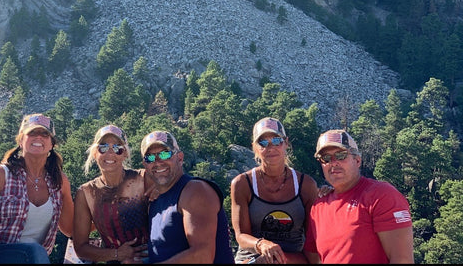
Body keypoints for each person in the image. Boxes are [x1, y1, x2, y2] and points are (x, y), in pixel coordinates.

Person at [303, 129, 414, 264]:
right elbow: (311, 258)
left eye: (341, 155)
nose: (333, 162)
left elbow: (402, 259)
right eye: (326, 158)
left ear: (357, 160)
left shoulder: (382, 196)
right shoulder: (319, 207)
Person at [0, 113, 74, 263]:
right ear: (21, 140)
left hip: (36, 259)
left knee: (35, 251)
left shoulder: (59, 181)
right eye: (32, 132)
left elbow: (69, 229)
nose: (38, 137)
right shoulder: (2, 175)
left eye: (44, 134)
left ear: (51, 144)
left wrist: (102, 219)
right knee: (34, 250)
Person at [231, 117, 319, 264]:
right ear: (255, 147)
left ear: (286, 143)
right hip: (253, 258)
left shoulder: (306, 185)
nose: (271, 147)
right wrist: (261, 245)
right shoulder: (242, 184)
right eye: (263, 143)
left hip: (292, 259)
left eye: (277, 141)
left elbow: (313, 241)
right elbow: (241, 236)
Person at [141, 130, 234, 264]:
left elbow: (203, 256)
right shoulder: (155, 202)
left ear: (179, 158)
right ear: (145, 165)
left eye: (165, 154)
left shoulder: (195, 191)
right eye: (149, 158)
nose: (158, 162)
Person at [72, 124, 150, 263]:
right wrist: (117, 254)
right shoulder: (86, 193)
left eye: (117, 148)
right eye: (103, 147)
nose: (110, 153)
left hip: (154, 256)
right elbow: (80, 247)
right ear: (95, 153)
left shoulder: (143, 179)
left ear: (125, 153)